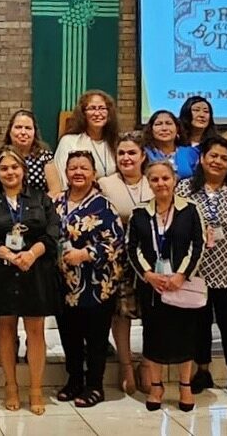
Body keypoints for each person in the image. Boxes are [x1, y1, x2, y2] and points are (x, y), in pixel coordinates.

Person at [0, 146, 60, 415]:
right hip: (1, 271)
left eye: (14, 167)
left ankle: (35, 388)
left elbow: (53, 230)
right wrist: (8, 254)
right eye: (3, 168)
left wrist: (32, 253)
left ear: (23, 170)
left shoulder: (40, 198)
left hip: (35, 270)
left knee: (36, 331)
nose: (10, 172)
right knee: (6, 329)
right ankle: (10, 386)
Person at [175, 136, 227, 400]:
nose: (217, 161)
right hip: (194, 271)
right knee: (198, 324)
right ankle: (203, 370)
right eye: (213, 156)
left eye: (224, 158)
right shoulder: (185, 189)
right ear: (202, 158)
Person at [127, 161, 204, 412]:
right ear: (148, 183)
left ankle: (184, 386)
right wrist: (148, 274)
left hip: (182, 285)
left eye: (165, 179)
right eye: (155, 180)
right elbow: (132, 247)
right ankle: (157, 386)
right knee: (154, 337)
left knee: (185, 336)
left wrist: (181, 275)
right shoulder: (140, 213)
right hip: (152, 287)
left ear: (174, 180)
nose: (161, 184)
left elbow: (198, 244)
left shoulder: (190, 210)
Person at [54, 151, 124, 409]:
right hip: (64, 285)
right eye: (73, 168)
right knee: (69, 335)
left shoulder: (103, 205)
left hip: (96, 284)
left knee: (95, 338)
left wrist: (85, 254)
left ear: (93, 173)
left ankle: (95, 385)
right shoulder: (57, 203)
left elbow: (116, 243)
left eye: (84, 167)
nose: (78, 172)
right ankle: (74, 380)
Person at [97, 133, 151, 395]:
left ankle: (150, 363)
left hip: (152, 258)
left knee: (152, 311)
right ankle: (126, 364)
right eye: (121, 154)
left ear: (143, 156)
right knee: (121, 312)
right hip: (119, 257)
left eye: (132, 153)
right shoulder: (105, 184)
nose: (126, 158)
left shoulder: (155, 180)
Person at [0, 110, 61, 197]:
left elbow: (55, 191)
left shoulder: (45, 157)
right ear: (10, 130)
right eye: (18, 127)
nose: (23, 132)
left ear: (34, 132)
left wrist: (36, 208)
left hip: (39, 208)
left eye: (28, 128)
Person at [54, 90, 120, 188]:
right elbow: (63, 181)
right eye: (92, 108)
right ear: (83, 113)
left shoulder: (116, 142)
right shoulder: (69, 141)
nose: (97, 113)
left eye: (102, 108)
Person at [143, 109, 199, 180]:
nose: (164, 128)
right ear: (151, 130)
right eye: (158, 124)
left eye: (169, 123)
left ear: (177, 128)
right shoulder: (144, 154)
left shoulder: (190, 152)